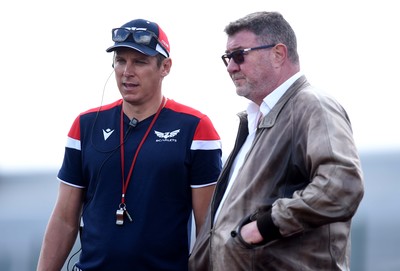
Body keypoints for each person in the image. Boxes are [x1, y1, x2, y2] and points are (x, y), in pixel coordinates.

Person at [37, 18, 222, 271]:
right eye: (121, 60)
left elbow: (207, 229)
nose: (127, 71)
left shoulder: (197, 127)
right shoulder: (85, 125)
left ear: (165, 67)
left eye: (140, 61)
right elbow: (63, 219)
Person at [189, 11, 364, 271]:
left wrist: (263, 227)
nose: (230, 67)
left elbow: (342, 186)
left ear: (278, 54)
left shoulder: (312, 105)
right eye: (227, 58)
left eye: (239, 55)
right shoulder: (255, 119)